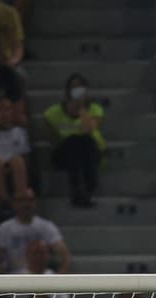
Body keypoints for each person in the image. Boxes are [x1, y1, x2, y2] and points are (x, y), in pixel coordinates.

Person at [43, 74, 104, 208]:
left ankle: (84, 190)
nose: (77, 90)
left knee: (85, 140)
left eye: (80, 87)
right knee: (73, 141)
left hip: (90, 153)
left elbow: (88, 129)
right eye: (74, 87)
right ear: (67, 90)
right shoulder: (52, 112)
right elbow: (53, 141)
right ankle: (84, 191)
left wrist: (82, 107)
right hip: (65, 155)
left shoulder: (95, 109)